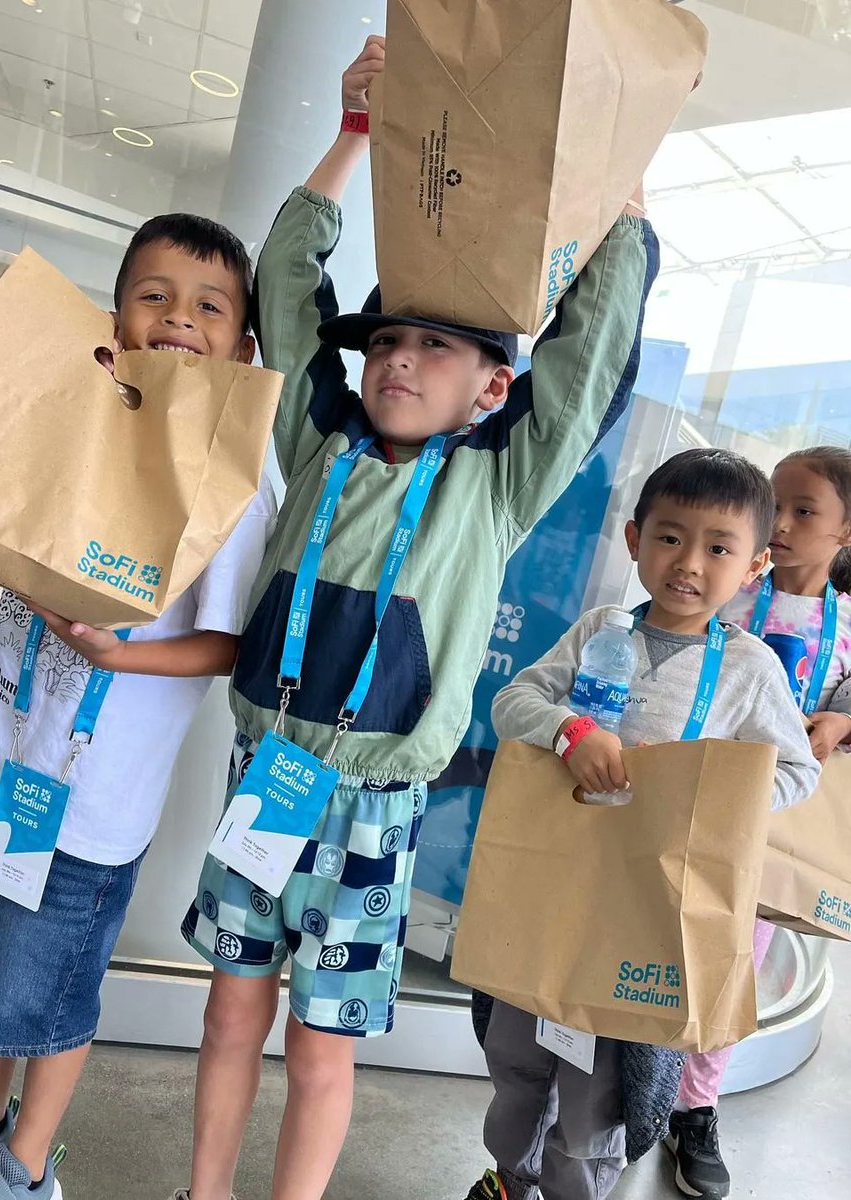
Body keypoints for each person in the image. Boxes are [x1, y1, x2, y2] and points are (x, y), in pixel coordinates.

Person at [172, 35, 658, 1200]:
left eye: (438, 344)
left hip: (375, 813)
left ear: (494, 385)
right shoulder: (315, 435)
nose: (398, 357)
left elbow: (587, 360)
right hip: (265, 775)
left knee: (319, 1048)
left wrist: (621, 207)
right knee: (231, 1011)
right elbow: (290, 277)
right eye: (387, 337)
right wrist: (349, 140)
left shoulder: (497, 484)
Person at [0, 214, 277, 1200]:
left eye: (208, 307)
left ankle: (26, 1166)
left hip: (93, 809)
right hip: (8, 763)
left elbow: (234, 643)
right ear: (118, 312)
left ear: (243, 345)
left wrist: (120, 653)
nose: (178, 319)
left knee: (51, 997)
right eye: (153, 295)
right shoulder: (84, 414)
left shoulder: (232, 478)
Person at [469, 448, 820, 1200]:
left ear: (755, 565)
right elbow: (512, 703)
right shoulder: (601, 627)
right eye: (669, 536)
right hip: (549, 890)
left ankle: (575, 1190)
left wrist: (697, 786)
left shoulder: (751, 670)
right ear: (634, 540)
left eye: (718, 547)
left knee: (598, 1089)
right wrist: (571, 733)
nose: (688, 562)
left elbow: (797, 773)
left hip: (644, 910)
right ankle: (508, 1178)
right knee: (516, 1054)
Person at [666, 444, 851, 1200]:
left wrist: (839, 723)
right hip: (689, 807)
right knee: (663, 946)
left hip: (773, 831)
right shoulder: (727, 593)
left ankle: (694, 1109)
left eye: (805, 511)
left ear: (846, 533)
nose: (783, 522)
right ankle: (625, 1096)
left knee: (729, 970)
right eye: (778, 504)